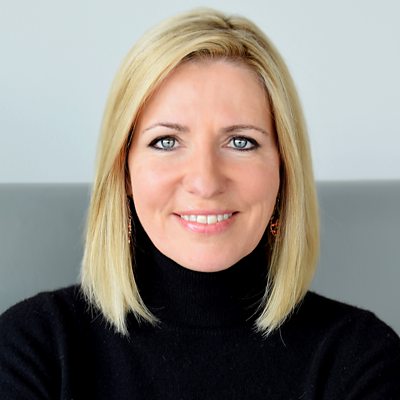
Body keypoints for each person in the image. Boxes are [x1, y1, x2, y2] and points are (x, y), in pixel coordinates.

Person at [1, 8, 399, 399]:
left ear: (283, 171)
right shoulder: (34, 348)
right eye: (166, 142)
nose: (206, 182)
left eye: (241, 142)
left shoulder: (362, 359)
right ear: (124, 171)